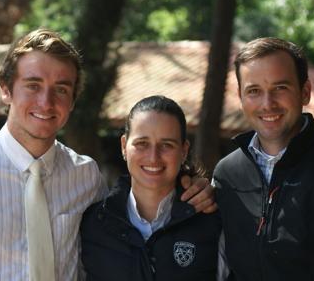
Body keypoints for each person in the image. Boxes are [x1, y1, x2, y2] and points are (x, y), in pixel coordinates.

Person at [0, 29, 215, 281]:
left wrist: (192, 187)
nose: (45, 102)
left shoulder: (86, 176)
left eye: (60, 90)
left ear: (73, 100)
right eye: (33, 85)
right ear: (6, 89)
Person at [213, 37, 314, 281]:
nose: (268, 104)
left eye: (280, 88)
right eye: (254, 91)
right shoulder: (226, 175)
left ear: (305, 92)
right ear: (241, 98)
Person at [80, 95, 222, 281]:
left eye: (166, 145)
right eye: (142, 144)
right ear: (124, 146)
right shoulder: (93, 223)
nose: (153, 157)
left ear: (184, 151)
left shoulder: (212, 222)